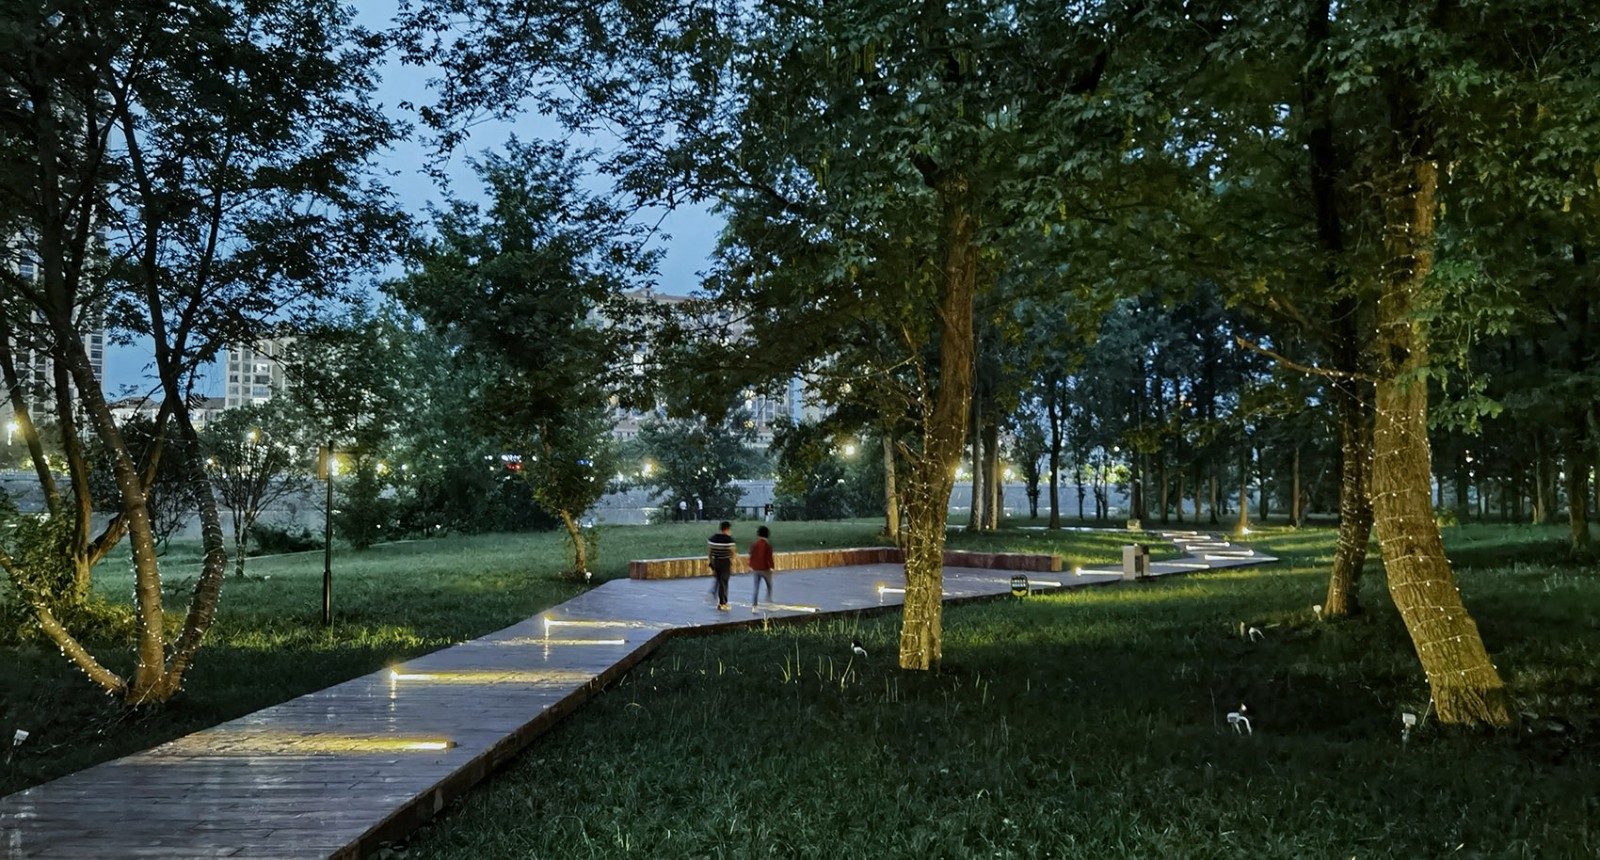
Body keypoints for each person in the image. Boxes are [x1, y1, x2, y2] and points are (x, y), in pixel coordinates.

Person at [707, 520, 736, 611]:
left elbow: (710, 552)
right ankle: (722, 603)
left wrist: (711, 561)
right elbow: (732, 552)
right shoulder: (729, 539)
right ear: (728, 529)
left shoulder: (713, 538)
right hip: (725, 562)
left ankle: (719, 599)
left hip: (716, 561)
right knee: (724, 583)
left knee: (720, 581)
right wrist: (733, 562)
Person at [749, 525, 774, 611]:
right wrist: (771, 567)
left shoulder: (754, 544)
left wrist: (751, 565)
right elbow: (769, 557)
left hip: (756, 569)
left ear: (758, 534)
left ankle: (754, 606)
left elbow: (751, 555)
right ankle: (769, 603)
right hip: (765, 569)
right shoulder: (767, 545)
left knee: (756, 587)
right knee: (769, 586)